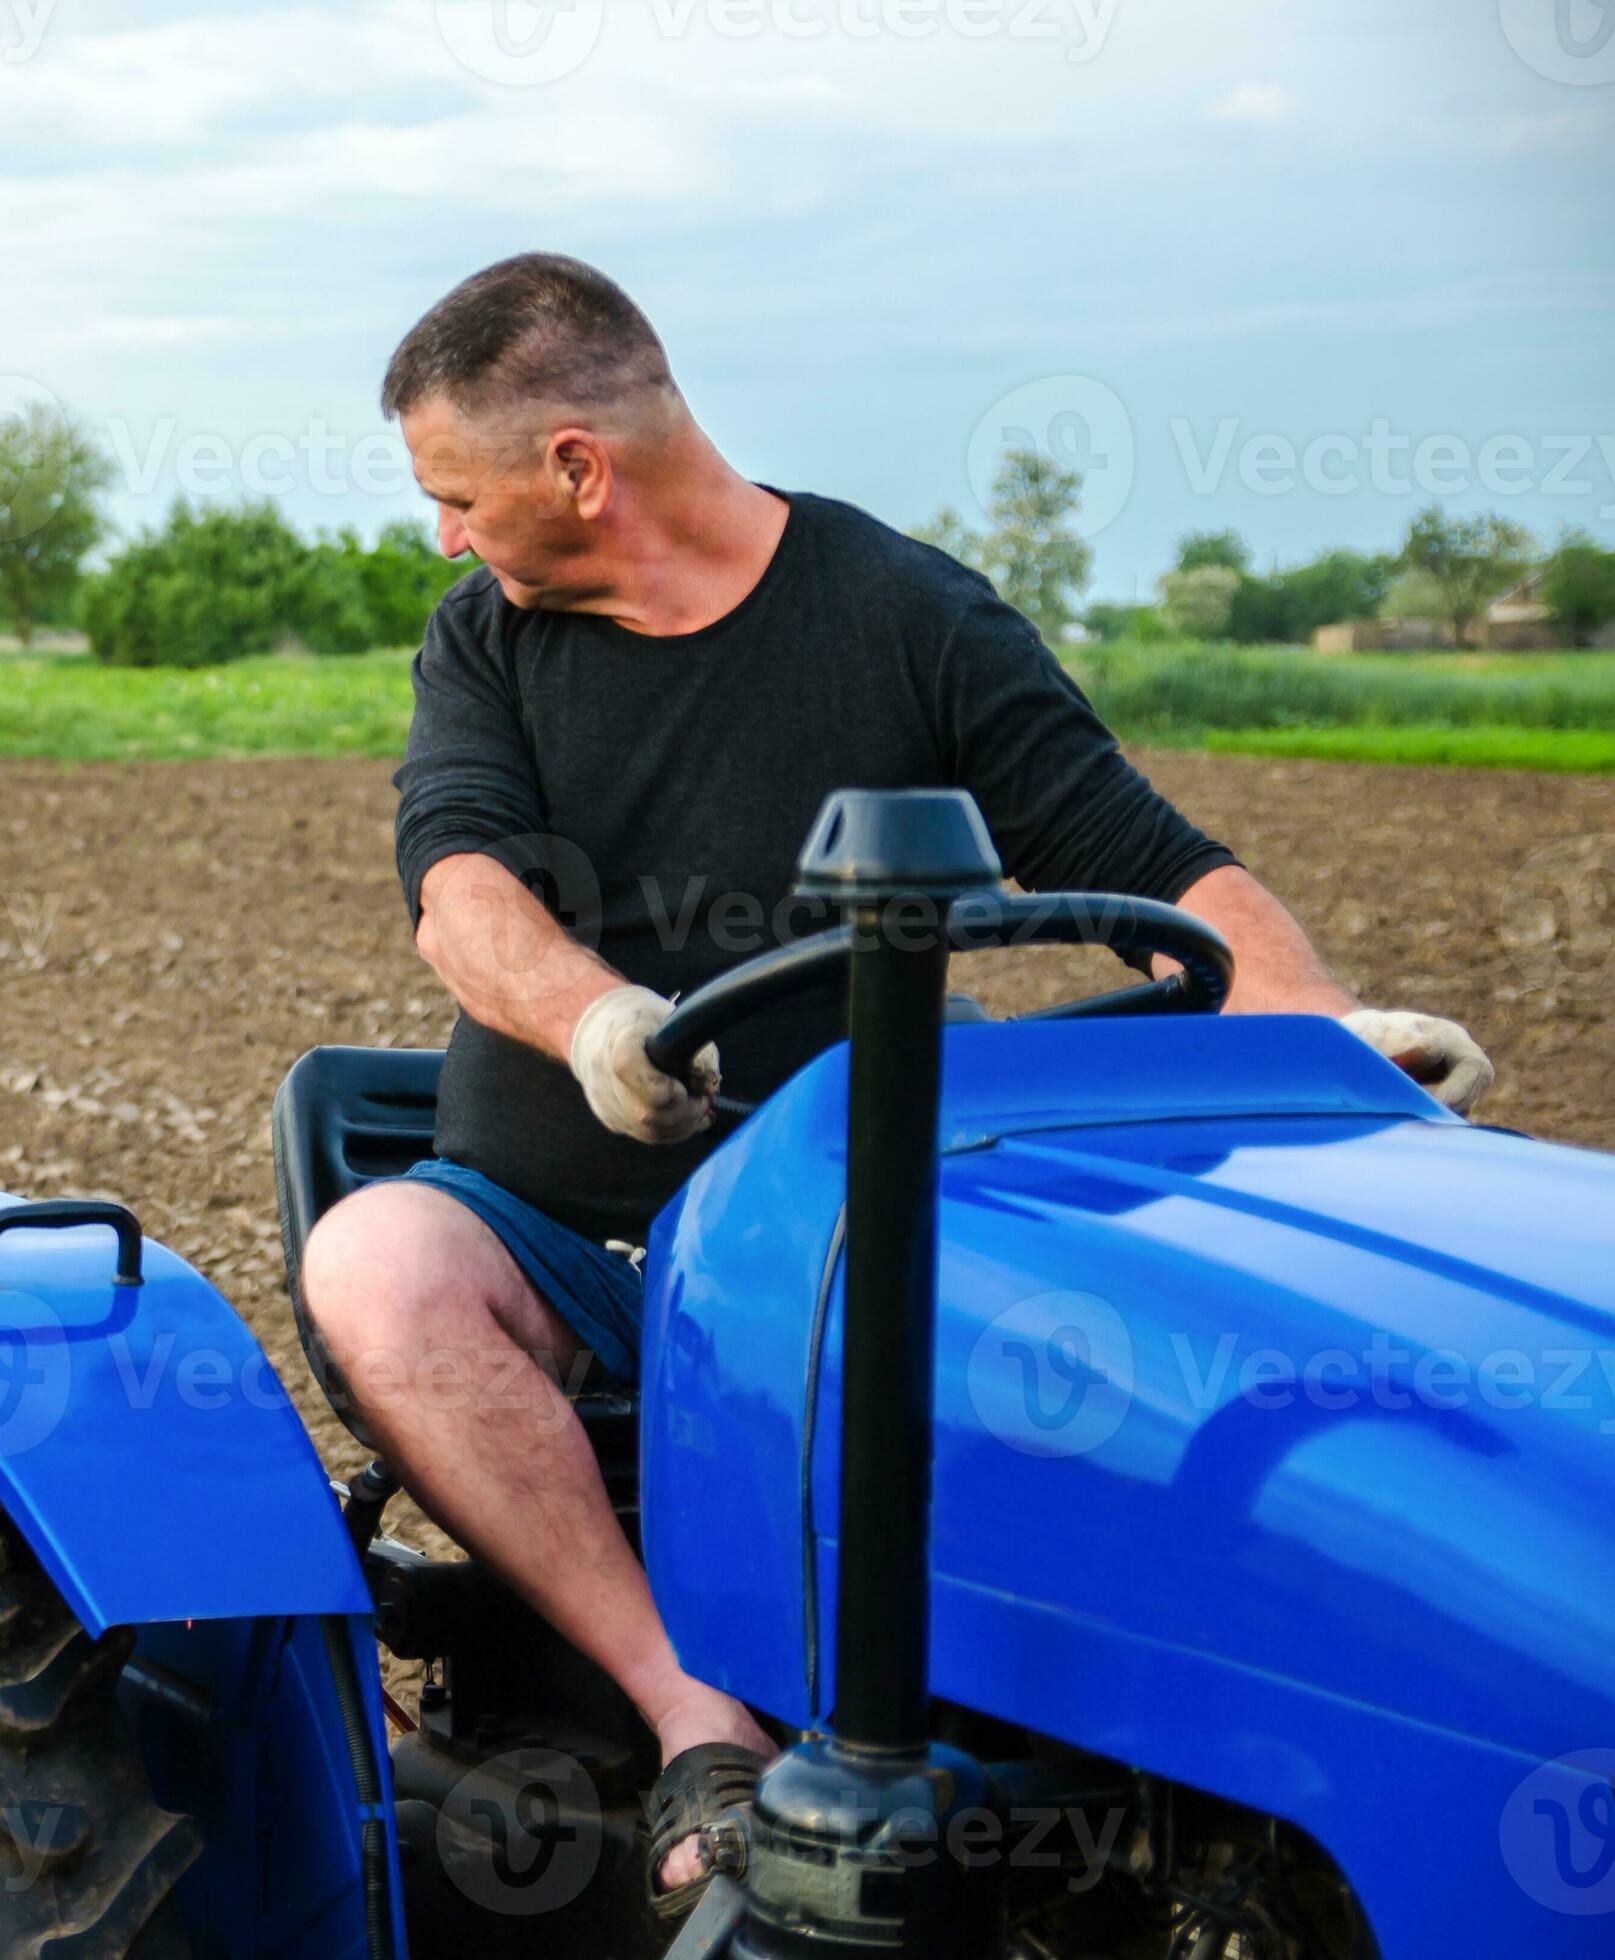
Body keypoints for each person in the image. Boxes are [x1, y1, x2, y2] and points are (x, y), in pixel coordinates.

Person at [296, 252, 1494, 1922]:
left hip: (847, 1237)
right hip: (557, 1234)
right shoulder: (487, 640)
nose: (446, 533)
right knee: (376, 1262)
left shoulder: (903, 611)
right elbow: (462, 886)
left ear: (578, 466)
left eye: (456, 496)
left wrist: (1329, 1037)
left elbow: (1150, 868)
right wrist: (594, 1027)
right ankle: (690, 1716)